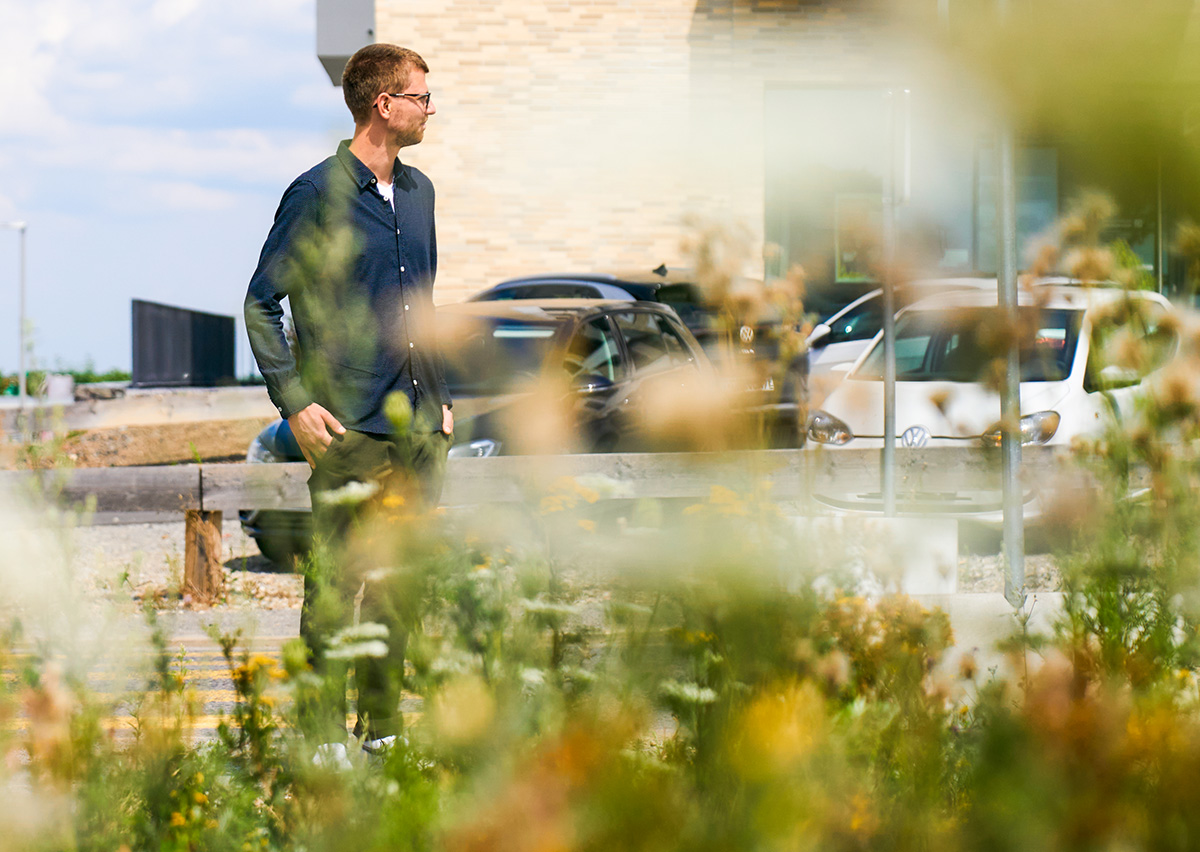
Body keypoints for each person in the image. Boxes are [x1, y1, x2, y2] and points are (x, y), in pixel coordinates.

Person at [244, 43, 452, 758]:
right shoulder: (316, 194)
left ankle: (385, 728)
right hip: (347, 429)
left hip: (419, 428)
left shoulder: (421, 194)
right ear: (383, 105)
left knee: (400, 588)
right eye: (423, 96)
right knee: (335, 589)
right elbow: (261, 303)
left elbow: (423, 306)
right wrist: (294, 403)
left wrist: (444, 401)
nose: (431, 109)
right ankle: (322, 737)